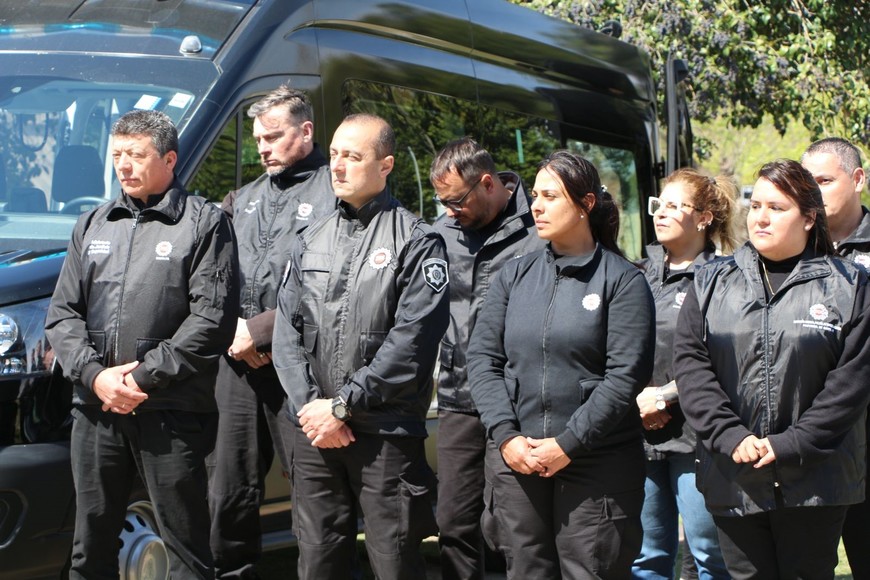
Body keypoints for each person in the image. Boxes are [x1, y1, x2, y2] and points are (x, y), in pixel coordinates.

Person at [45, 109, 239, 579]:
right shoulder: (93, 223)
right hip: (97, 410)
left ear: (169, 159)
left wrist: (140, 376)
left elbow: (211, 320)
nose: (124, 166)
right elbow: (62, 314)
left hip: (171, 410)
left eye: (136, 155)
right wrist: (96, 377)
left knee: (187, 548)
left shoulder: (205, 224)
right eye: (117, 155)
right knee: (89, 548)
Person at [673, 159, 870, 579]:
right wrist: (731, 436)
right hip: (734, 475)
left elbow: (851, 384)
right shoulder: (710, 282)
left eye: (777, 208)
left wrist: (790, 444)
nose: (761, 217)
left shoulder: (850, 286)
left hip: (817, 481)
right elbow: (692, 371)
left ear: (809, 217)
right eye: (756, 205)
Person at [272, 113, 449, 579]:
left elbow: (411, 344)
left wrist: (344, 406)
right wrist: (313, 408)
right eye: (334, 155)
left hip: (384, 435)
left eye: (353, 156)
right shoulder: (309, 239)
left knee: (394, 563)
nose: (338, 166)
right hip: (314, 436)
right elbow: (287, 335)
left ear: (386, 165)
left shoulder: (417, 241)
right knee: (317, 562)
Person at [467, 150, 655, 579]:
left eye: (551, 196)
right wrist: (506, 436)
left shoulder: (622, 280)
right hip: (517, 460)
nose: (536, 205)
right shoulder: (512, 276)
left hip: (596, 462)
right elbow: (482, 359)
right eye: (535, 195)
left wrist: (569, 443)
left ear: (586, 203)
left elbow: (625, 376)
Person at [208, 84, 335, 579]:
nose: (262, 147)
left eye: (274, 136)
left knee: (314, 498)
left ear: (305, 132)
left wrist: (261, 333)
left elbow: (334, 288)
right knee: (227, 493)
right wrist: (232, 334)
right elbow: (211, 276)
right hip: (237, 367)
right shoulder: (242, 197)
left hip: (303, 370)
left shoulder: (334, 192)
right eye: (257, 138)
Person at [429, 137, 545, 579]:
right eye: (442, 202)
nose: (448, 210)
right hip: (459, 400)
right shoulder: (441, 233)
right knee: (454, 523)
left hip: (518, 405)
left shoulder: (538, 231)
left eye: (455, 200)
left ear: (489, 183)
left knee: (514, 530)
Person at [632, 169, 735, 580]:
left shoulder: (724, 278)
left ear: (705, 217)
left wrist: (665, 396)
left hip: (698, 437)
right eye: (660, 205)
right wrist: (639, 398)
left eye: (675, 206)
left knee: (709, 553)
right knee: (646, 556)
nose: (661, 214)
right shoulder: (636, 274)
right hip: (639, 434)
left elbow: (726, 357)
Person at [801, 137, 869, 577]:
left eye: (824, 180)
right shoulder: (797, 251)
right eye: (807, 182)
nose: (813, 192)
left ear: (858, 179)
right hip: (815, 435)